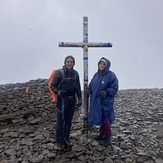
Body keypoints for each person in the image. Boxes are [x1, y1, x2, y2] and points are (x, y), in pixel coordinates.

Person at [50, 55, 82, 150]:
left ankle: (66, 138)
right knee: (60, 121)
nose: (69, 63)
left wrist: (79, 99)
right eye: (68, 61)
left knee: (68, 121)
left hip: (72, 100)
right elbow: (52, 86)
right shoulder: (59, 73)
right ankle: (58, 141)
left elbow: (78, 87)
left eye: (71, 62)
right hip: (62, 101)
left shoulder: (75, 74)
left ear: (73, 63)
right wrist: (58, 92)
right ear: (65, 62)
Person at [87, 57, 118, 147]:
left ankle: (108, 135)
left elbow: (114, 87)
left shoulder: (111, 75)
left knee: (105, 117)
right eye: (100, 63)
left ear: (107, 65)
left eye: (104, 64)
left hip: (105, 101)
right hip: (95, 100)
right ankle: (102, 134)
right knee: (99, 116)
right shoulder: (96, 75)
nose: (102, 65)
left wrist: (107, 92)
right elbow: (91, 84)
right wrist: (89, 90)